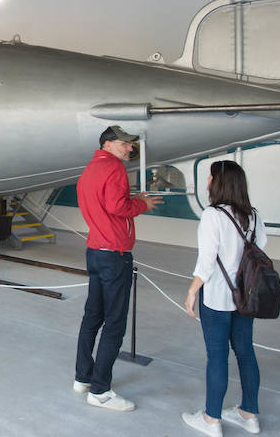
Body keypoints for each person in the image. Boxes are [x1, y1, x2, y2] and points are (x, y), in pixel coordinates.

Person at [74, 125, 161, 411]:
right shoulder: (114, 168)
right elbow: (116, 206)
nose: (130, 149)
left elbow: (103, 204)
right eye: (126, 144)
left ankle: (82, 377)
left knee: (92, 316)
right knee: (114, 323)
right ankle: (100, 391)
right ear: (109, 144)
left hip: (95, 249)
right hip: (114, 254)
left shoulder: (89, 169)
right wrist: (143, 205)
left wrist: (132, 201)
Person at [182, 160, 266, 436]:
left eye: (210, 177)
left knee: (216, 356)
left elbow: (206, 262)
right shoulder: (253, 215)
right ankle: (249, 414)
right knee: (246, 352)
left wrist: (192, 291)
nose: (207, 181)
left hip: (217, 296)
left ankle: (211, 419)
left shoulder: (213, 215)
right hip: (246, 297)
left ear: (218, 182)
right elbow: (260, 251)